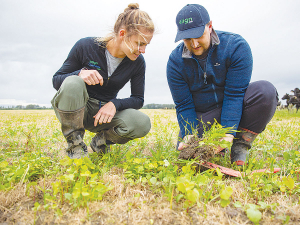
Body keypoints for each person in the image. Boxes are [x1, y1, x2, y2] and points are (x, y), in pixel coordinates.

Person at [167, 4, 278, 165]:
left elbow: (235, 95)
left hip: (234, 107)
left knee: (265, 92)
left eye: (198, 35)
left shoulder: (235, 47)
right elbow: (184, 105)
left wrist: (227, 134)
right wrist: (189, 136)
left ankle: (240, 145)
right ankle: (211, 151)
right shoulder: (175, 62)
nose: (194, 43)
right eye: (187, 39)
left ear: (210, 26)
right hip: (204, 119)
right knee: (191, 160)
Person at [51, 3, 154, 159]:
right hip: (77, 108)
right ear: (122, 33)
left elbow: (138, 99)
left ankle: (100, 142)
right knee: (73, 82)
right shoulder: (85, 46)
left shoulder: (138, 62)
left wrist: (114, 104)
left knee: (142, 123)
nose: (143, 50)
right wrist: (79, 74)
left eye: (146, 44)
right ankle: (75, 147)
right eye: (139, 43)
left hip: (103, 114)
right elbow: (56, 80)